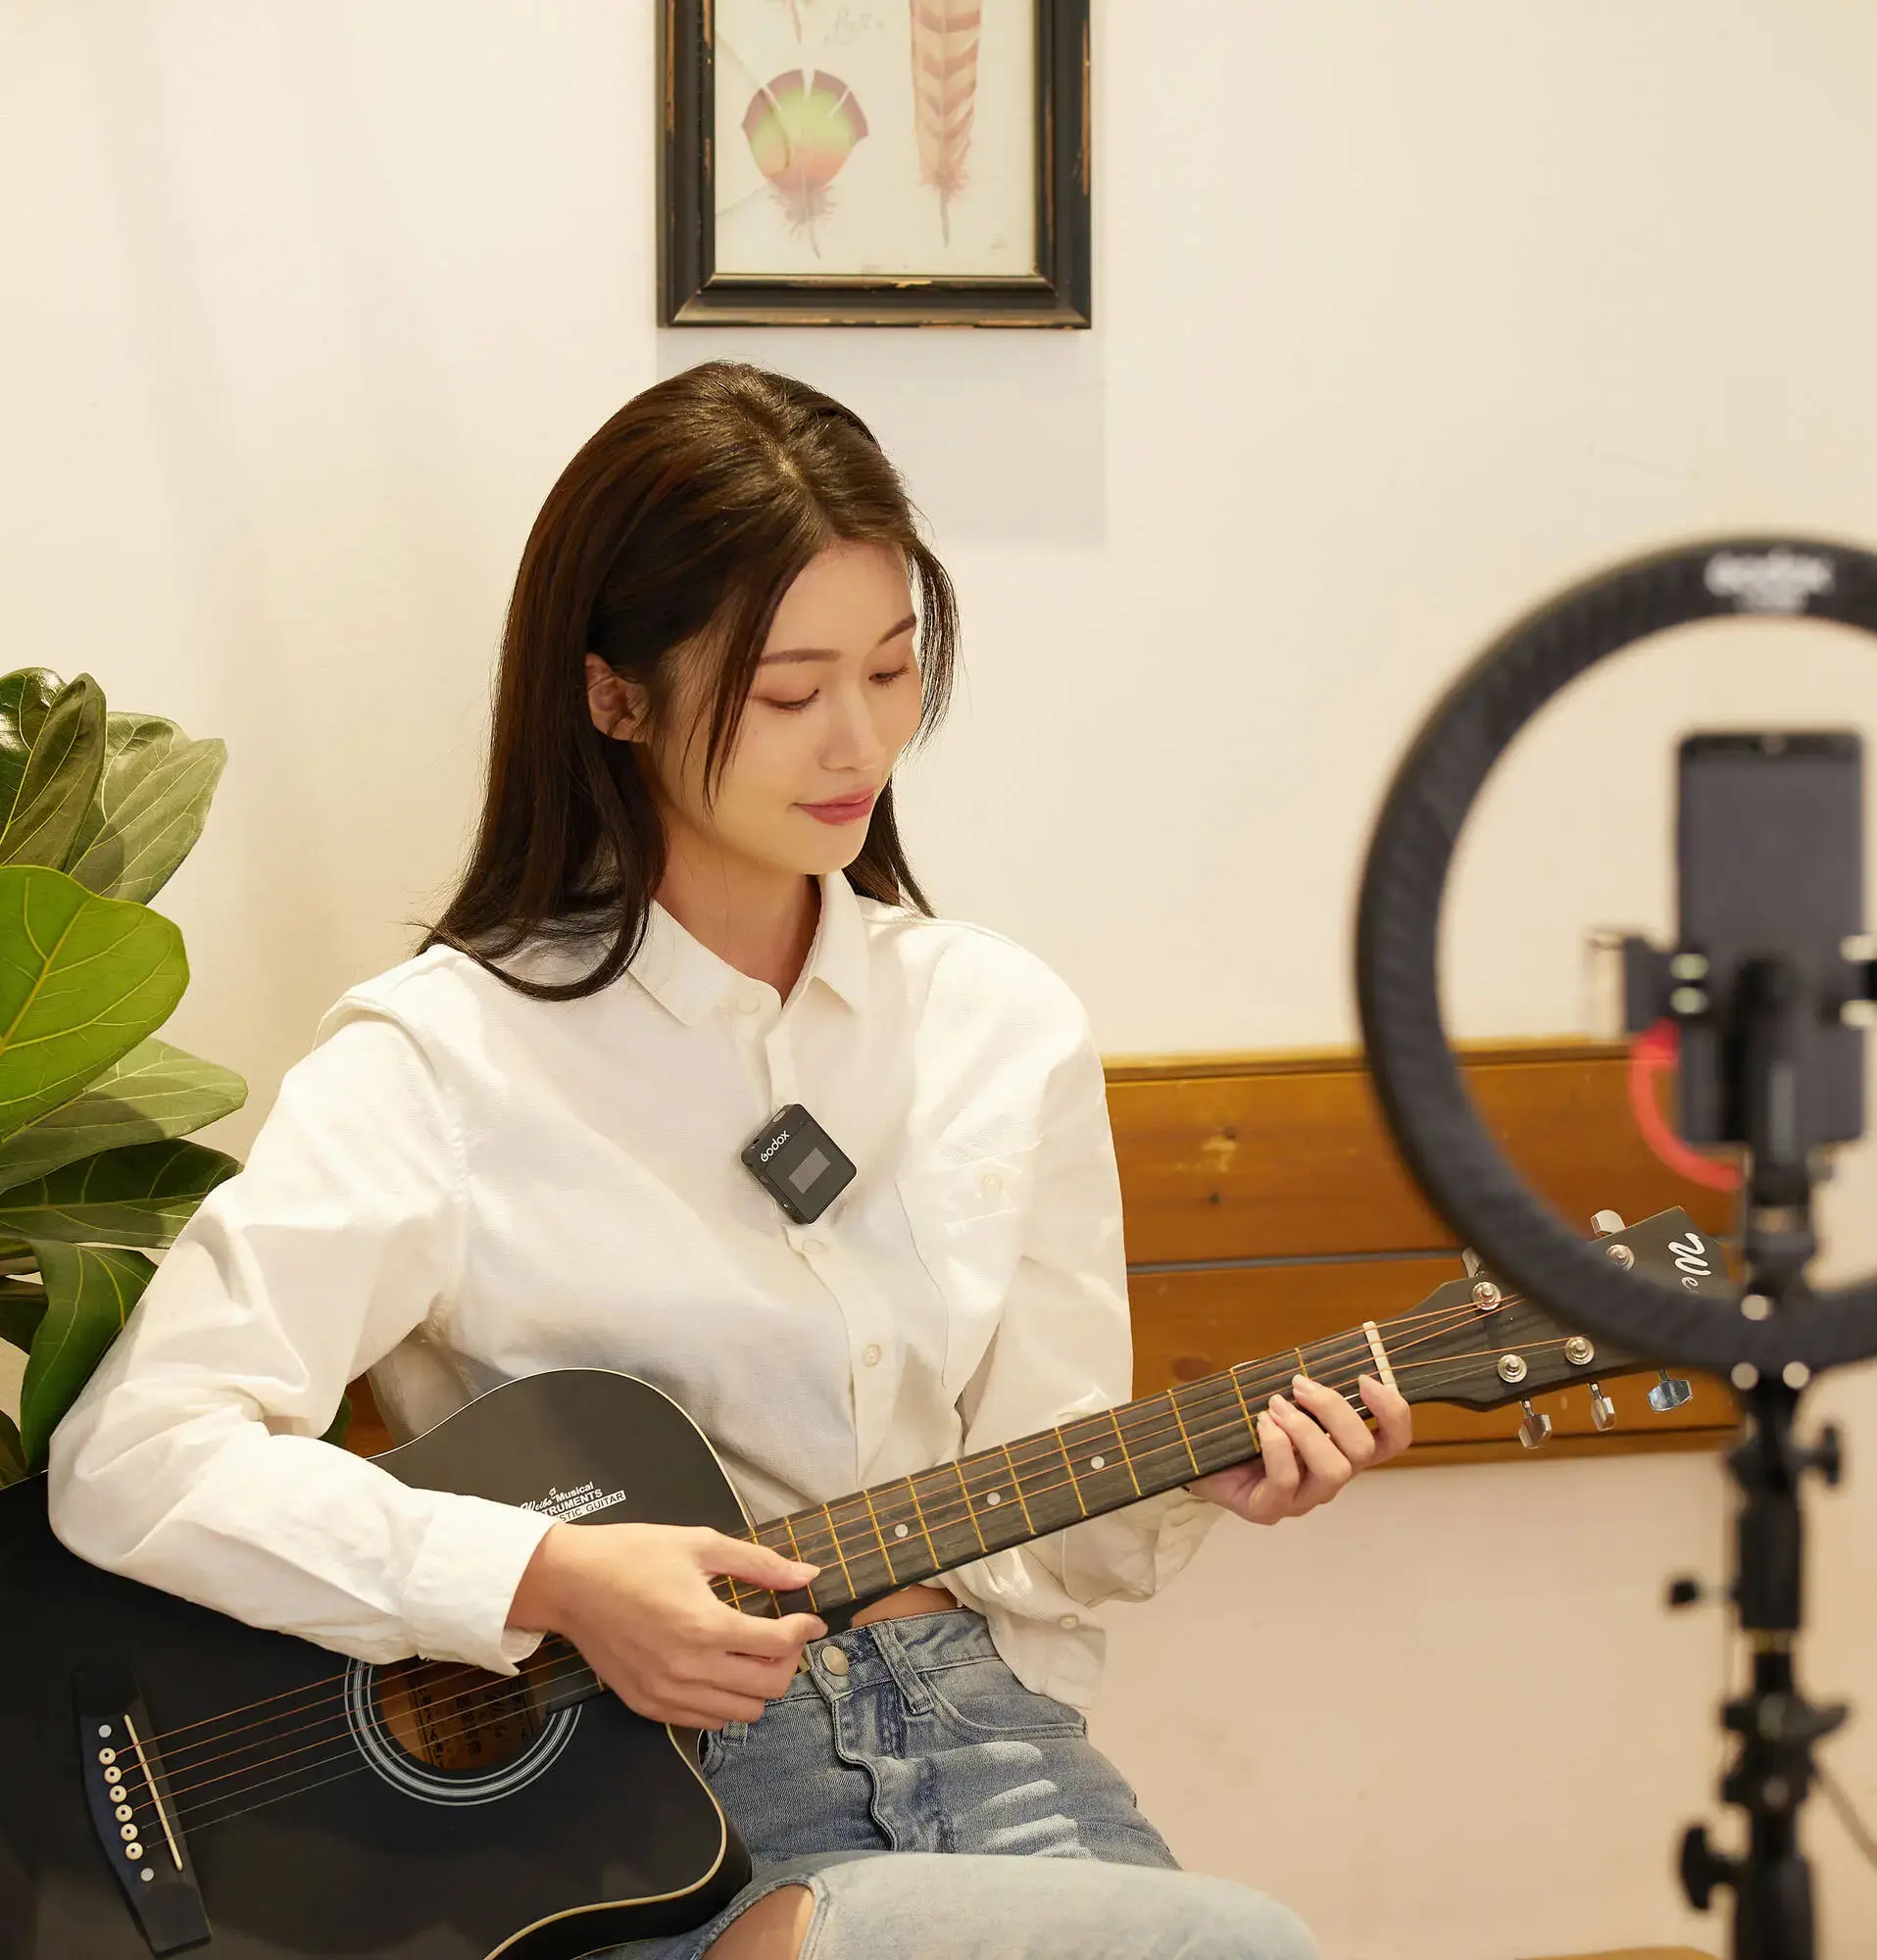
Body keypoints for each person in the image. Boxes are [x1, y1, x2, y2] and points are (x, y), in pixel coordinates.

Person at [49, 363, 1411, 1960]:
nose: (860, 740)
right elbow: (137, 1455)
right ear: (614, 696)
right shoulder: (445, 1057)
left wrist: (1197, 1485)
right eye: (788, 692)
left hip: (992, 1744)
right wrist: (547, 1575)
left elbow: (1044, 1529)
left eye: (892, 671)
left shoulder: (1001, 1027)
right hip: (633, 1808)